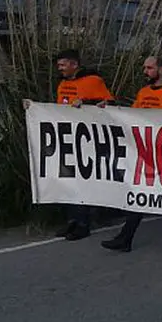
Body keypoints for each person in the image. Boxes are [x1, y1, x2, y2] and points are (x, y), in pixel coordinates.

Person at [101, 56, 162, 252]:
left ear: (161, 69)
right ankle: (127, 238)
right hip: (147, 151)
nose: (145, 71)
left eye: (150, 68)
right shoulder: (143, 93)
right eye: (144, 68)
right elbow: (133, 117)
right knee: (143, 192)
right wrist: (108, 111)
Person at [53, 48, 114, 241]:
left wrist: (87, 103)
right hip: (67, 137)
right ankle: (72, 219)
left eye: (63, 65)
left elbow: (108, 104)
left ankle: (83, 223)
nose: (60, 68)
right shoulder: (63, 83)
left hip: (87, 139)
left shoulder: (93, 81)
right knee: (67, 179)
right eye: (59, 65)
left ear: (74, 64)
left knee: (82, 181)